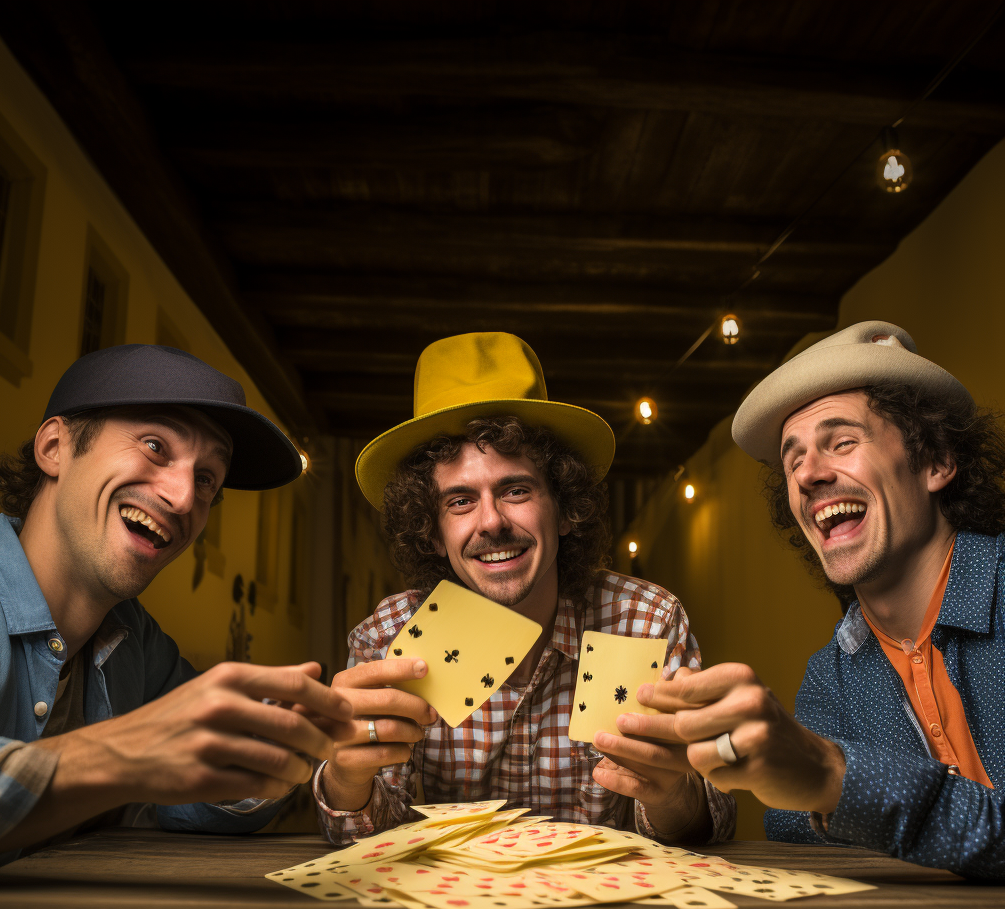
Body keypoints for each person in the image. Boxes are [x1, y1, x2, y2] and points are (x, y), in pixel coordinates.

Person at [312, 332, 736, 844]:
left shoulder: (646, 622)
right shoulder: (386, 637)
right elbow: (364, 838)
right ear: (432, 529)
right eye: (460, 501)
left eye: (516, 490)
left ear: (564, 507)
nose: (491, 522)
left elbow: (710, 822)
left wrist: (673, 795)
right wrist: (345, 780)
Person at [631, 320, 1005, 878]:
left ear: (936, 462)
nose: (808, 474)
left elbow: (829, 801)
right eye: (792, 460)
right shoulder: (829, 680)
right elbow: (795, 836)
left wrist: (835, 776)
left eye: (842, 442)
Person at [0, 345, 353, 870]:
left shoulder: (137, 643)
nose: (183, 498)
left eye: (207, 479)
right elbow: (143, 757)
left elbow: (197, 802)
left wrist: (300, 734)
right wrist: (123, 755)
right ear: (55, 447)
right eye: (155, 446)